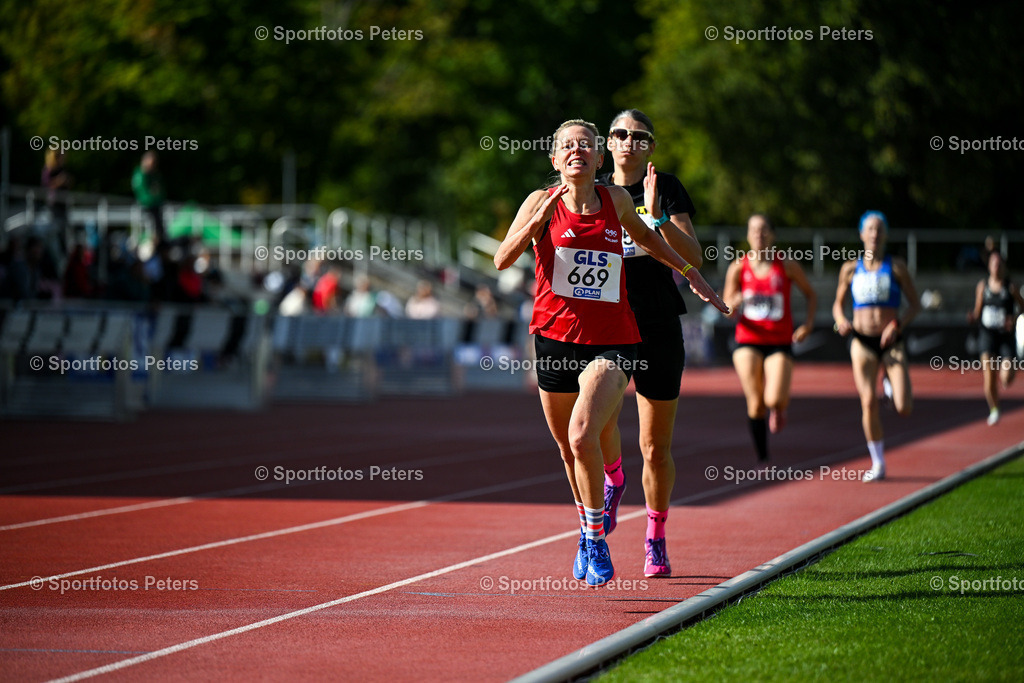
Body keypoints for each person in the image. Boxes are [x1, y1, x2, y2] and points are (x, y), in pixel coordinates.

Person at [494, 119, 727, 586]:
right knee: (567, 450)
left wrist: (691, 272)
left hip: (613, 339)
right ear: (555, 159)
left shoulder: (616, 200)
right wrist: (534, 225)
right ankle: (586, 530)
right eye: (567, 146)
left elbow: (647, 239)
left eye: (586, 145)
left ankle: (598, 540)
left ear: (599, 160)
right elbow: (502, 259)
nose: (577, 151)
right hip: (554, 340)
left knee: (583, 435)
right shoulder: (540, 203)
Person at [597, 109, 704, 577]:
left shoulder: (668, 188)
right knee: (594, 421)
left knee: (654, 446)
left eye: (638, 136)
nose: (628, 142)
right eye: (619, 134)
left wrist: (656, 216)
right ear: (609, 143)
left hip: (659, 322)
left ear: (650, 146)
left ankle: (655, 536)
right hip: (608, 322)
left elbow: (694, 257)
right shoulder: (595, 189)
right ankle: (614, 477)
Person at [833, 211, 921, 482]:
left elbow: (915, 304)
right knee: (868, 401)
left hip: (890, 341)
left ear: (885, 234)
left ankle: (889, 385)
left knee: (904, 407)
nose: (874, 234)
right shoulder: (850, 268)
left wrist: (897, 324)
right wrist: (841, 321)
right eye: (870, 229)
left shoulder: (896, 267)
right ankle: (878, 462)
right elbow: (838, 304)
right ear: (861, 234)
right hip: (861, 341)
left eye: (879, 229)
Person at [724, 214, 816, 460]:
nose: (759, 235)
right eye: (754, 230)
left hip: (779, 342)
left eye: (764, 230)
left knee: (774, 398)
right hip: (747, 340)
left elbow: (811, 294)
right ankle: (762, 457)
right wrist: (733, 303)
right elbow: (725, 309)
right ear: (747, 235)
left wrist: (807, 325)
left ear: (773, 235)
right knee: (756, 402)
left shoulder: (786, 265)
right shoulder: (738, 267)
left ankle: (779, 408)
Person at [967, 251, 1023, 425]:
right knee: (989, 376)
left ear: (1004, 267)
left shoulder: (1011, 287)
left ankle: (1006, 378)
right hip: (987, 335)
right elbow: (977, 310)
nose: (996, 267)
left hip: (1005, 336)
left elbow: (1022, 307)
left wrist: (1013, 319)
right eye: (994, 264)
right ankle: (994, 408)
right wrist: (973, 317)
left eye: (999, 264)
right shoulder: (983, 286)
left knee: (1006, 378)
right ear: (989, 267)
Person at [132, 152, 166, 243]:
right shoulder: (140, 176)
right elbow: (143, 194)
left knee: (159, 230)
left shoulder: (155, 175)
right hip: (146, 207)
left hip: (155, 206)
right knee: (151, 228)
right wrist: (153, 198)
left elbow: (159, 192)